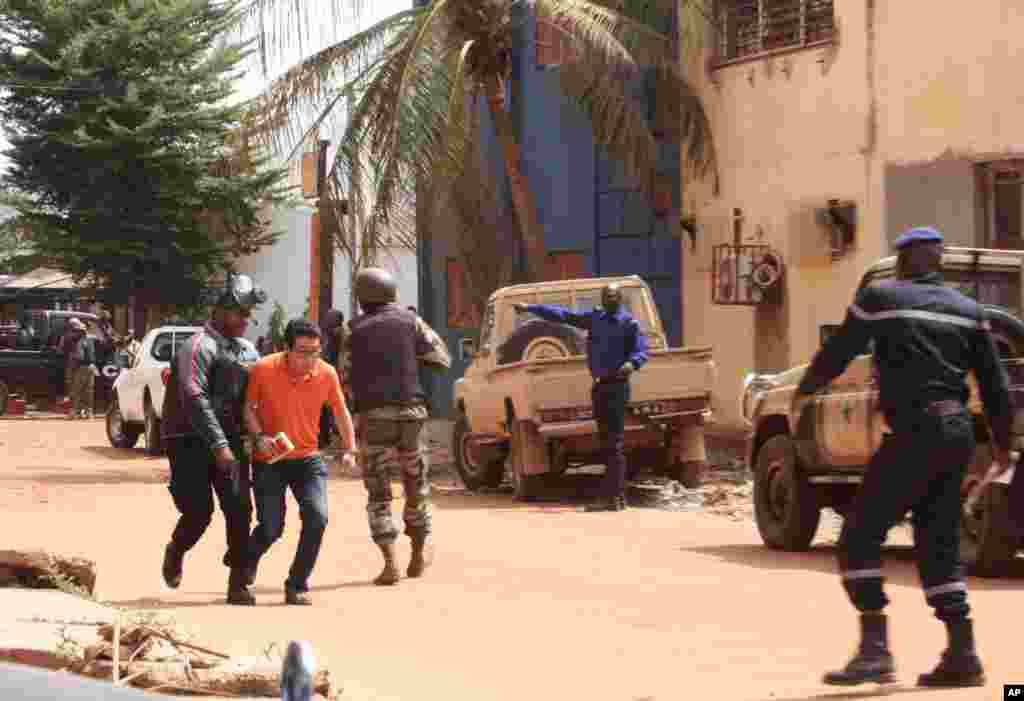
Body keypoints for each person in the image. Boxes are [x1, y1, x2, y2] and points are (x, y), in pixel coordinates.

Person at [790, 226, 1011, 688]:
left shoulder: (879, 296)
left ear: (903, 260)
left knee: (859, 536)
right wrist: (1004, 445)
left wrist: (806, 390)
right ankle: (962, 653)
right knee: (939, 543)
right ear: (941, 261)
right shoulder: (969, 312)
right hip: (956, 436)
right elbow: (994, 385)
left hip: (913, 432)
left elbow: (839, 351)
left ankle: (875, 650)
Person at [159, 273, 266, 605]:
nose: (246, 321)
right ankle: (176, 550)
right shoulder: (196, 347)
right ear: (220, 310)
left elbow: (260, 395)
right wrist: (218, 444)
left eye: (249, 315)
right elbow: (193, 395)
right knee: (198, 512)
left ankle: (237, 584)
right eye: (240, 314)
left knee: (239, 509)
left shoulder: (247, 351)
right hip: (189, 439)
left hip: (231, 439)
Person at [341, 267, 451, 585]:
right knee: (416, 486)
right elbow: (441, 358)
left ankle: (390, 563)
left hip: (374, 417)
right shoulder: (410, 321)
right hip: (412, 414)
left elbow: (344, 375)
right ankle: (417, 551)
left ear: (361, 297)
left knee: (378, 492)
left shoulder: (353, 329)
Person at [243, 318, 356, 605]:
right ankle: (246, 563)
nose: (309, 359)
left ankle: (297, 584)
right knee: (271, 527)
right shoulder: (263, 369)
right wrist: (258, 437)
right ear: (286, 349)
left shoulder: (326, 373)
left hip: (308, 459)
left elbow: (341, 411)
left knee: (317, 517)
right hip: (270, 459)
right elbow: (248, 408)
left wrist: (350, 448)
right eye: (303, 352)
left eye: (315, 352)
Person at [513, 283, 649, 512]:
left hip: (617, 388)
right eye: (606, 296)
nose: (609, 299)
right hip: (599, 388)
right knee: (606, 443)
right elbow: (563, 315)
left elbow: (641, 351)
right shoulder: (595, 318)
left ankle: (613, 498)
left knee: (613, 444)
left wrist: (632, 363)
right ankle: (616, 497)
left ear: (620, 299)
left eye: (614, 296)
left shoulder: (629, 324)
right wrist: (531, 308)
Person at [318, 310, 346, 450]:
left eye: (330, 321)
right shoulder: (326, 337)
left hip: (340, 380)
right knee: (324, 410)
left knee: (336, 411)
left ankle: (337, 442)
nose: (327, 324)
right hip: (327, 379)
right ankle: (325, 440)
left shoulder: (342, 335)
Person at [64, 317, 99, 419]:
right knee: (87, 391)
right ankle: (86, 412)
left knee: (77, 391)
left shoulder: (77, 339)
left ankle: (76, 412)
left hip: (81, 367)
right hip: (90, 366)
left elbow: (78, 356)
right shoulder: (88, 339)